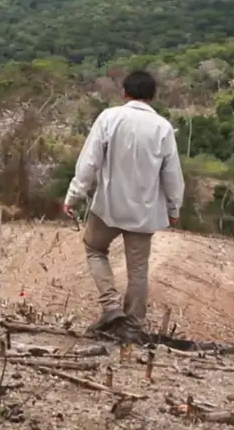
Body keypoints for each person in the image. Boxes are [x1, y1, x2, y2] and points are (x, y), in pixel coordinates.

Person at [62, 70, 185, 342]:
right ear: (154, 96)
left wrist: (74, 195)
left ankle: (110, 306)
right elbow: (172, 175)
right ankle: (132, 326)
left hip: (108, 206)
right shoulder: (163, 128)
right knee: (138, 270)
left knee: (94, 248)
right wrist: (174, 209)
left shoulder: (109, 118)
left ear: (124, 92)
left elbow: (89, 162)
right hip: (144, 212)